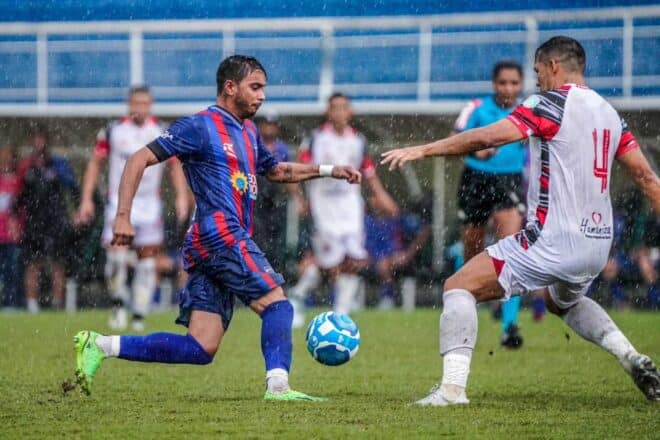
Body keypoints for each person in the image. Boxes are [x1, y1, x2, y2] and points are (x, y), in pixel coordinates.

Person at [382, 36, 660, 405]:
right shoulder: (610, 113)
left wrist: (424, 149)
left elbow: (489, 136)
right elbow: (646, 177)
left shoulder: (549, 103)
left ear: (553, 66)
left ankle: (451, 390)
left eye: (537, 71)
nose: (537, 80)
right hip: (597, 244)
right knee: (563, 303)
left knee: (458, 286)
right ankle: (631, 357)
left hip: (552, 240)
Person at [72, 55, 361, 401]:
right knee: (278, 306)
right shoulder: (200, 126)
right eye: (255, 87)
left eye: (263, 88)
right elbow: (138, 159)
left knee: (200, 347)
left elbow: (276, 171)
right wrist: (122, 215)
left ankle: (99, 345)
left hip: (207, 243)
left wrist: (329, 170)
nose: (262, 95)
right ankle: (278, 386)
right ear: (230, 87)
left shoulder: (248, 131)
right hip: (221, 234)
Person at [76, 85, 189, 331]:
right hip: (120, 203)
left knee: (147, 261)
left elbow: (175, 166)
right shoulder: (113, 131)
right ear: (129, 105)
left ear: (151, 105)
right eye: (136, 103)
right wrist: (86, 199)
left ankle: (139, 314)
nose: (141, 108)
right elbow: (95, 164)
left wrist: (181, 196)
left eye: (145, 103)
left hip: (149, 206)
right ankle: (118, 306)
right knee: (116, 257)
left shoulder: (161, 132)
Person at [292, 92, 398, 319]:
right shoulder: (315, 138)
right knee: (327, 262)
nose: (340, 112)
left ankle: (341, 312)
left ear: (350, 112)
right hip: (323, 204)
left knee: (353, 259)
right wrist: (299, 199)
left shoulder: (358, 140)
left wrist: (382, 196)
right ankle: (298, 296)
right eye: (335, 107)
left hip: (350, 205)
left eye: (343, 107)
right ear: (328, 112)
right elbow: (297, 170)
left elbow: (368, 173)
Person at [453, 61, 528, 348]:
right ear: (494, 84)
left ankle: (510, 327)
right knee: (472, 253)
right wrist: (477, 151)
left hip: (509, 182)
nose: (508, 88)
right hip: (475, 181)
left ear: (520, 85)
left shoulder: (527, 111)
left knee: (511, 249)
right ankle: (466, 310)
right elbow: (455, 139)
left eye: (514, 83)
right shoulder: (476, 108)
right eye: (503, 83)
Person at [17, 128, 79, 313]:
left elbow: (73, 187)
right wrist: (15, 218)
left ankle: (57, 303)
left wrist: (75, 211)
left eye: (41, 140)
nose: (38, 144)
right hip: (34, 222)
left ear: (46, 142)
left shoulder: (58, 164)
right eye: (35, 140)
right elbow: (19, 196)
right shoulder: (27, 166)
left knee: (57, 263)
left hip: (56, 221)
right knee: (33, 264)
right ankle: (32, 305)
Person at [251, 111, 304, 273]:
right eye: (266, 125)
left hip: (275, 200)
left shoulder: (282, 149)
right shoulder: (252, 145)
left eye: (272, 125)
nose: (269, 129)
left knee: (275, 240)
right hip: (255, 199)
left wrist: (297, 197)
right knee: (257, 236)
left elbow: (289, 175)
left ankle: (273, 271)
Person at [0, 144, 22, 309]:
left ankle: (12, 303)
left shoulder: (19, 181)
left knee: (12, 272)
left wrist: (17, 226)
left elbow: (21, 207)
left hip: (11, 236)